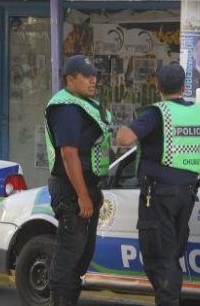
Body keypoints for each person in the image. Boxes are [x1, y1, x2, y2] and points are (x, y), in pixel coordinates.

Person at [116, 63, 200, 306]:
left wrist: (121, 129)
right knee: (170, 255)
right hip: (187, 194)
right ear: (184, 87)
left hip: (159, 196)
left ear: (158, 87)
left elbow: (125, 139)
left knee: (159, 258)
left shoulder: (156, 113)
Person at [44, 54, 112, 305]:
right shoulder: (67, 108)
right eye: (86, 76)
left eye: (94, 75)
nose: (92, 80)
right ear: (70, 79)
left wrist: (92, 191)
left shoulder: (83, 104)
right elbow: (69, 154)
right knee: (69, 255)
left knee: (81, 257)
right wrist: (83, 195)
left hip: (84, 188)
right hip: (72, 190)